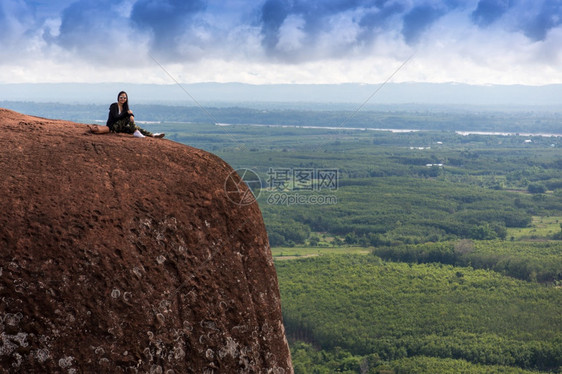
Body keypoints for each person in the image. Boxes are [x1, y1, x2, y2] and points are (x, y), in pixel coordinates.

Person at [89, 91, 164, 138]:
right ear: (118, 98)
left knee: (136, 127)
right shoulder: (114, 106)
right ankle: (136, 132)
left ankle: (152, 135)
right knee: (128, 119)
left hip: (120, 127)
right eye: (121, 97)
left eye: (124, 98)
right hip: (112, 127)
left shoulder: (125, 107)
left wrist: (131, 115)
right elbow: (116, 117)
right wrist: (128, 115)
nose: (123, 99)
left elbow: (129, 114)